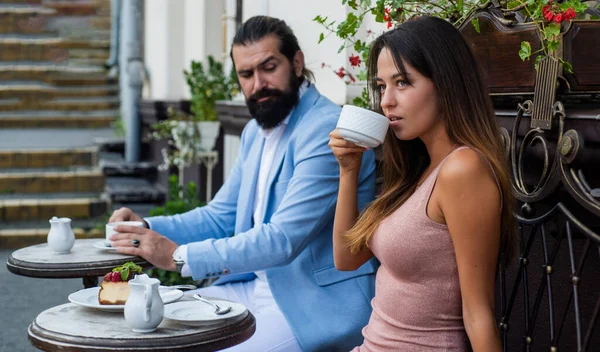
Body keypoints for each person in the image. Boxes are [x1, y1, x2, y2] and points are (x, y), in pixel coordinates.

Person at [109, 16, 378, 351]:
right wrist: (145, 228)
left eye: (268, 67)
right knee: (151, 327)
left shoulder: (324, 129)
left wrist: (179, 257)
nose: (258, 84)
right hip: (253, 287)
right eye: (246, 74)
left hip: (312, 305)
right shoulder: (257, 131)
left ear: (296, 63)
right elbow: (219, 216)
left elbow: (282, 239)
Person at [328, 16, 517, 351]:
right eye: (383, 86)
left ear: (445, 84)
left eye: (402, 82)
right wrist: (348, 169)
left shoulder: (463, 169)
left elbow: (478, 314)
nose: (386, 100)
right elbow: (345, 258)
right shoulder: (418, 170)